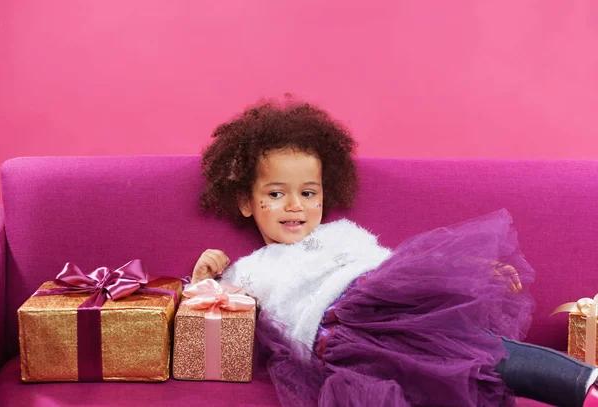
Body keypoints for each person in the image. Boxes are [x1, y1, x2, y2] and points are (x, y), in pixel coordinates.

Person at [192, 97, 598, 407]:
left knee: (477, 348)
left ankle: (583, 385)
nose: (294, 205)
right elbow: (217, 318)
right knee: (437, 379)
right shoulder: (247, 270)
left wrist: (467, 271)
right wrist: (203, 279)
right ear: (247, 202)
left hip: (386, 308)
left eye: (308, 193)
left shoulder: (341, 233)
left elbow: (399, 268)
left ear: (323, 196)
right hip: (343, 348)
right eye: (276, 194)